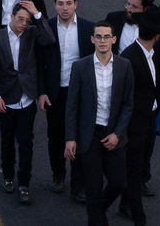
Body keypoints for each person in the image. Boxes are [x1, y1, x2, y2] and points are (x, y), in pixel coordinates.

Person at [64, 19, 134, 225]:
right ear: (92, 39)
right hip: (89, 135)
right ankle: (96, 217)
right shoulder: (79, 67)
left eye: (106, 37)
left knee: (119, 183)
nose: (102, 41)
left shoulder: (125, 66)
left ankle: (95, 211)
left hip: (113, 134)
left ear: (113, 39)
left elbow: (128, 105)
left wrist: (117, 134)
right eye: (98, 37)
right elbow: (72, 106)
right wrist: (70, 138)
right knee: (93, 188)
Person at [0, 0, 54, 204]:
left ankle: (24, 184)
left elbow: (49, 40)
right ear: (11, 17)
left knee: (26, 142)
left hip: (27, 98)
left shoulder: (33, 33)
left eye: (27, 20)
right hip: (7, 100)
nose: (24, 23)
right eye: (21, 19)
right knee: (7, 142)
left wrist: (37, 14)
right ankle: (8, 176)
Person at [39, 0, 93, 203]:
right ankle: (58, 174)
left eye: (68, 3)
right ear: (54, 5)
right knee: (56, 135)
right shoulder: (47, 27)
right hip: (55, 92)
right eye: (60, 3)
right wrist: (41, 92)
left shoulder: (89, 28)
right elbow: (39, 63)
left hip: (79, 92)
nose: (65, 8)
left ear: (76, 4)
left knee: (79, 136)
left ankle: (78, 184)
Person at [119, 12, 160, 226]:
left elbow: (148, 84)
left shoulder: (148, 55)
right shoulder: (131, 57)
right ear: (158, 36)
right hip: (134, 123)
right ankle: (135, 212)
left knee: (138, 165)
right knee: (133, 168)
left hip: (149, 117)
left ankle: (123, 204)